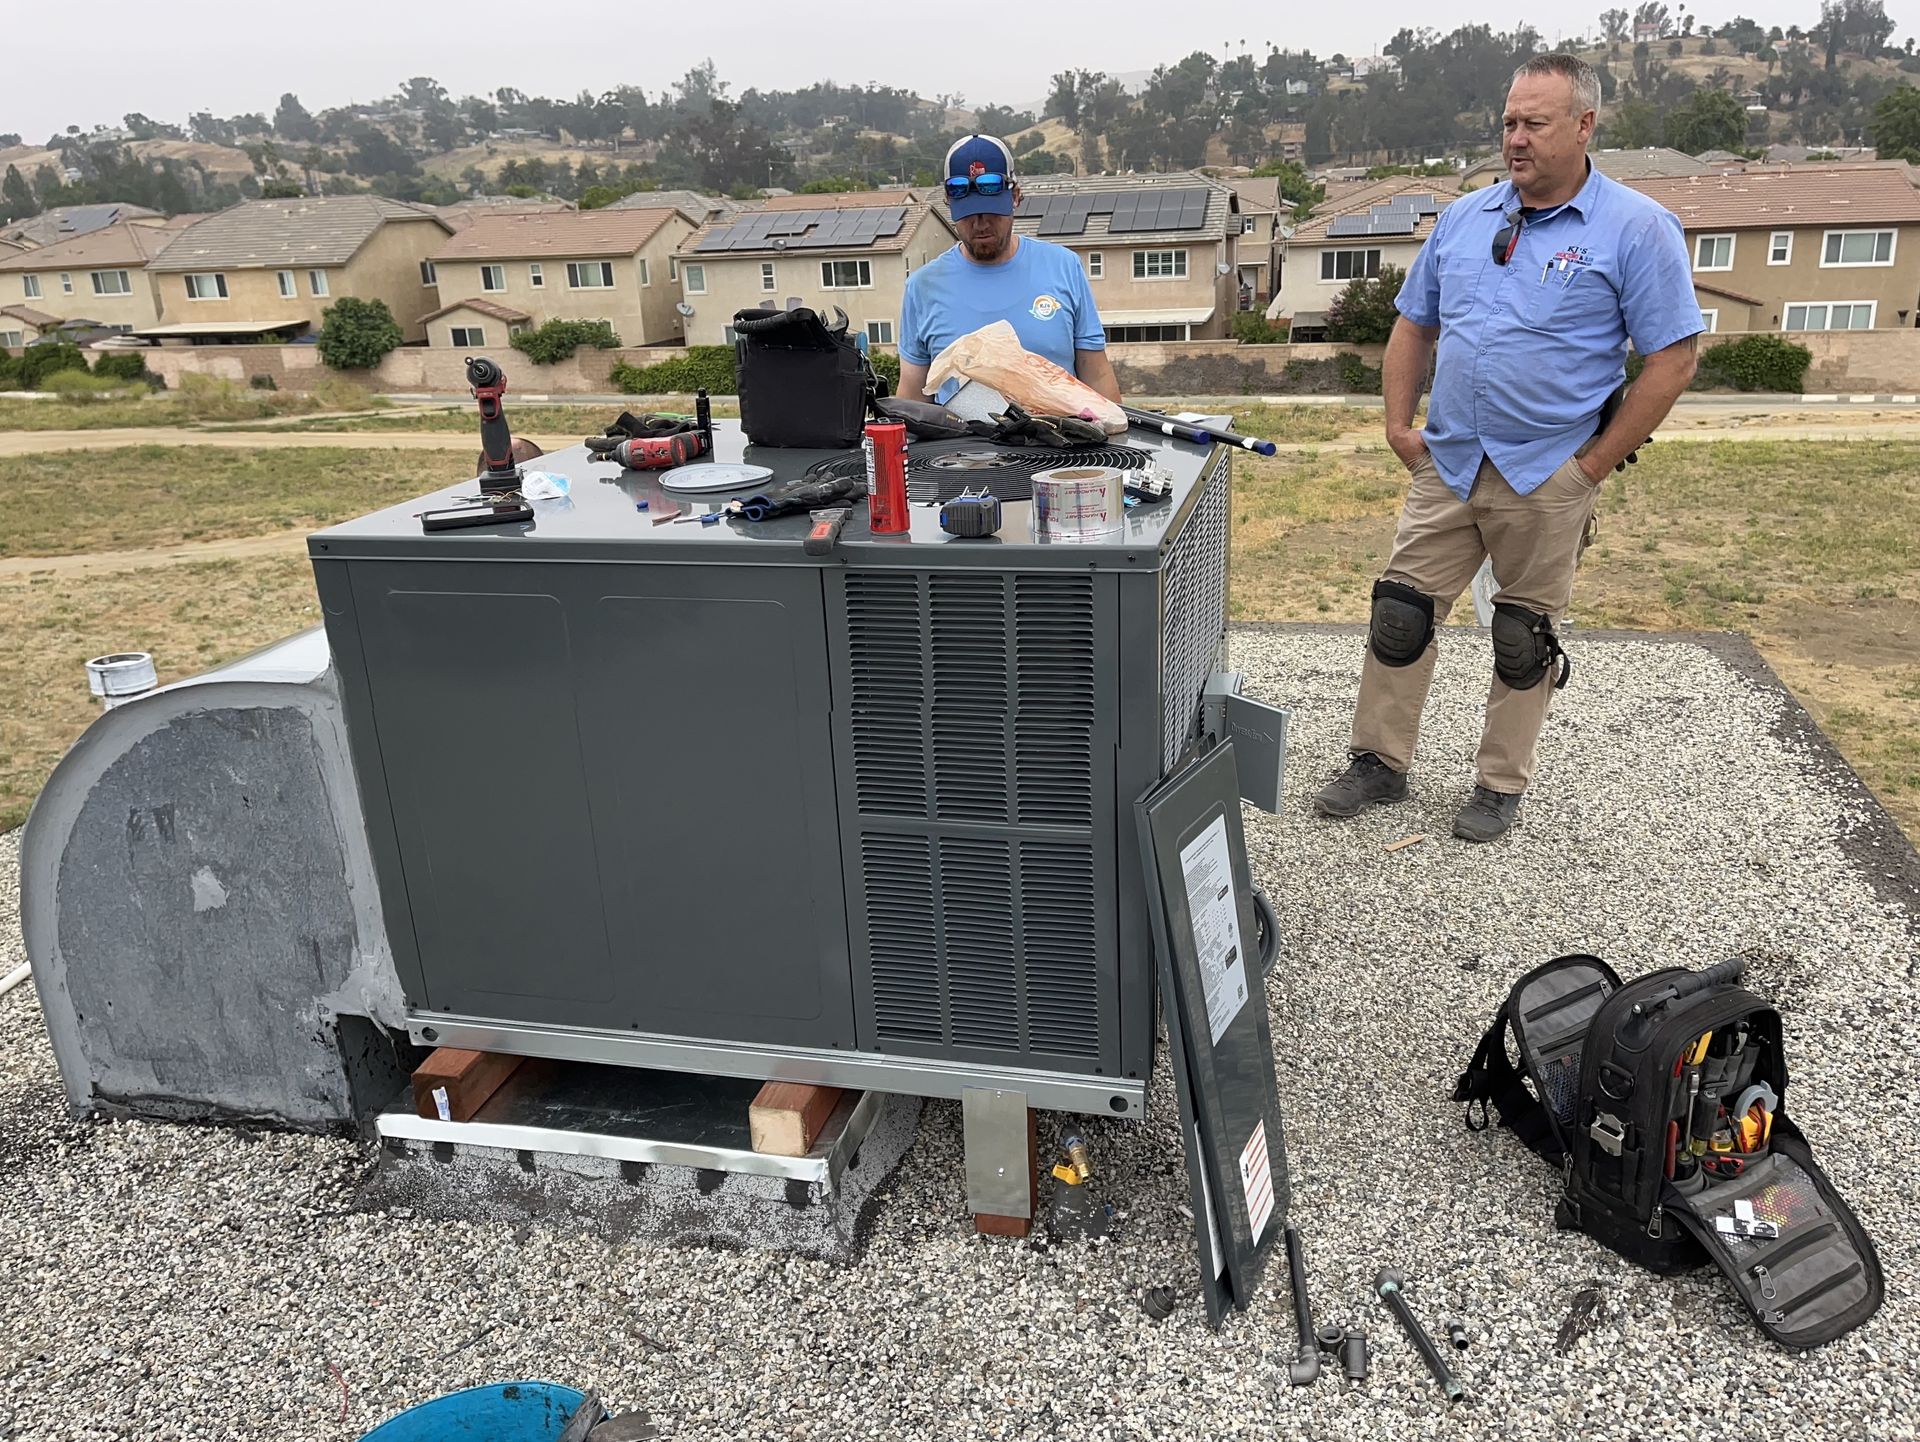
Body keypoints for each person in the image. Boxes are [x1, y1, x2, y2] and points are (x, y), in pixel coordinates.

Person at [1313, 53, 1702, 843]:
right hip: (1449, 462)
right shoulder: (1465, 218)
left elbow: (1673, 357)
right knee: (1400, 615)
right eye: (1508, 123)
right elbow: (1413, 324)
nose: (1515, 140)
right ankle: (1380, 763)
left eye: (1535, 123)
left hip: (1547, 473)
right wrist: (1398, 427)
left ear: (1584, 125)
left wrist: (1590, 468)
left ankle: (1498, 785)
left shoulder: (1634, 227)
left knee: (1523, 636)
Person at [896, 134, 1121, 407]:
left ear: (1015, 196)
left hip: (1057, 445)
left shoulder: (1063, 267)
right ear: (949, 202)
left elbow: (1096, 374)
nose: (980, 225)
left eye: (991, 213)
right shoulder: (923, 286)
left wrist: (1119, 441)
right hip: (962, 448)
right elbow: (913, 394)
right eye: (968, 215)